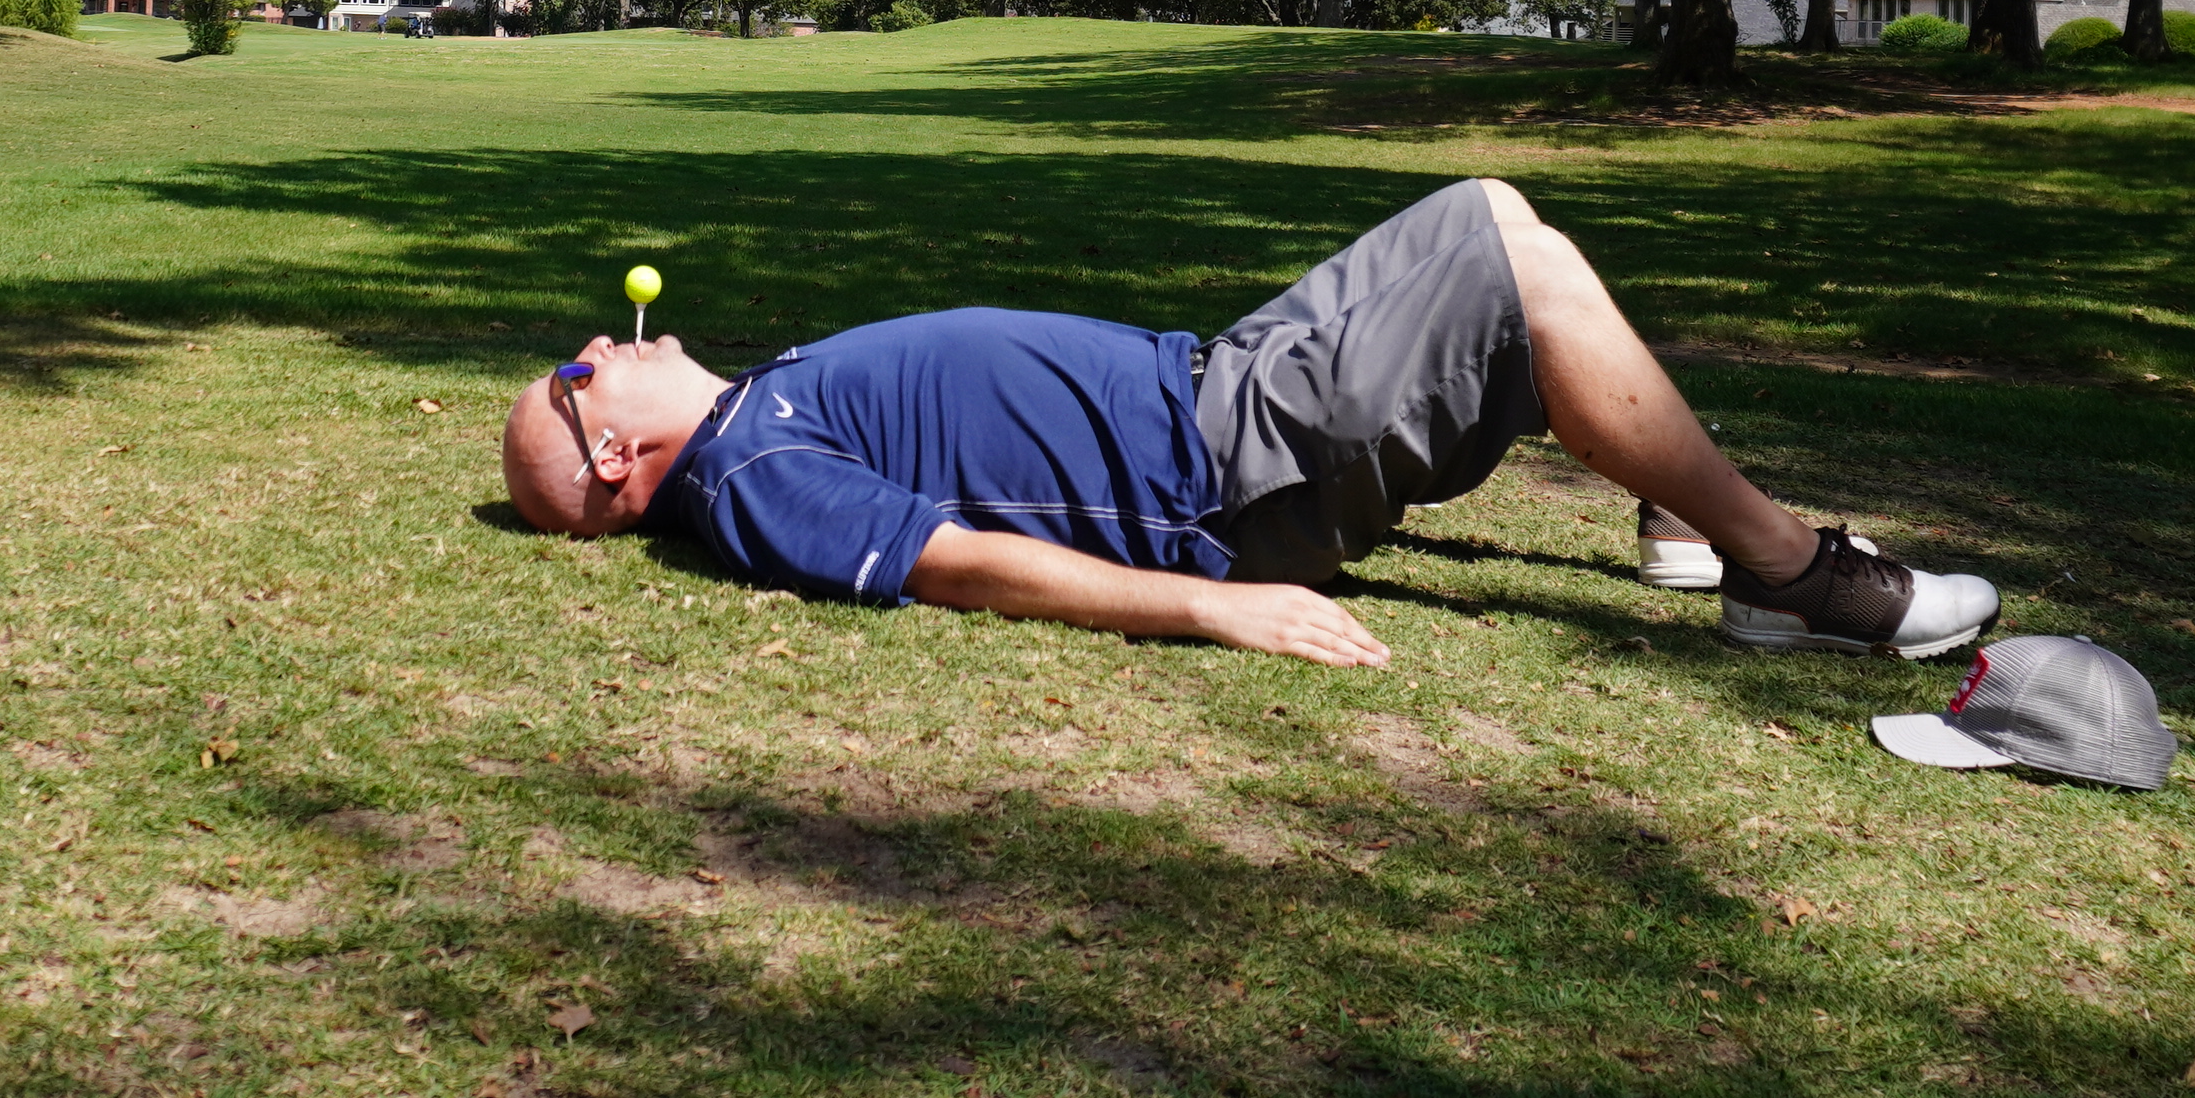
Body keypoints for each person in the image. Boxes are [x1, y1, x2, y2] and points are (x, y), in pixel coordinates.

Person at [497, 178, 1998, 666]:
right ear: (617, 459)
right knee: (1503, 248)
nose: (585, 349)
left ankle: (1690, 504)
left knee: (1502, 234)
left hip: (1218, 391)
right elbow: (954, 562)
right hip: (1225, 464)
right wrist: (1216, 616)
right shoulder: (752, 477)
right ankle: (1791, 573)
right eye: (576, 382)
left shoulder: (754, 414)